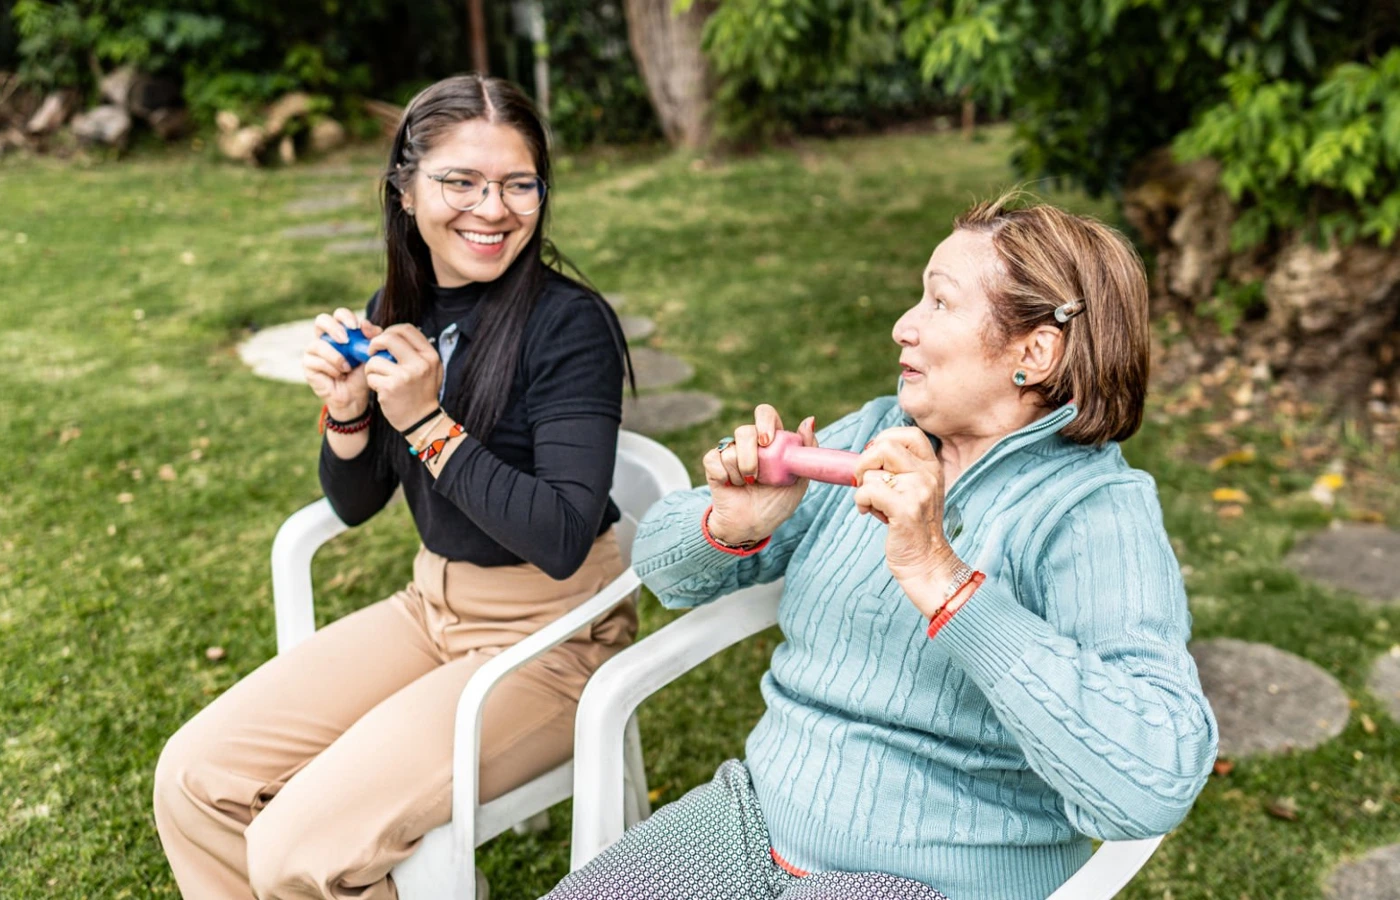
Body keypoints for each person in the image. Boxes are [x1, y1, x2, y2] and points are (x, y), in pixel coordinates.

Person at [546, 194, 1218, 900]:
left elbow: (1155, 778)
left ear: (1034, 352)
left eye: (939, 303)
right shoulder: (880, 430)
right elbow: (659, 568)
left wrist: (944, 580)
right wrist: (732, 525)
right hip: (752, 824)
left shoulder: (1093, 512)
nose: (904, 326)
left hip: (929, 877)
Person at [154, 74, 635, 900]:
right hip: (430, 608)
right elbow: (355, 504)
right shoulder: (400, 307)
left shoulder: (569, 325)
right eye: (461, 181)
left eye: (519, 184)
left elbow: (560, 537)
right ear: (404, 190)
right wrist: (349, 417)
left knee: (298, 847)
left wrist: (425, 422)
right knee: (195, 779)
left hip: (553, 639)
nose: (493, 208)